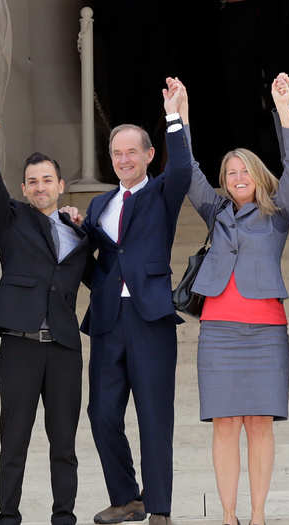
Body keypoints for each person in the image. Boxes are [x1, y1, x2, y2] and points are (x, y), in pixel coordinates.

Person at [174, 73, 289, 525]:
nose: (236, 177)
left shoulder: (278, 212)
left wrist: (284, 107)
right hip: (218, 332)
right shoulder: (217, 213)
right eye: (229, 173)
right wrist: (180, 115)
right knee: (226, 424)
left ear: (256, 175)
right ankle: (228, 516)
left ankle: (258, 515)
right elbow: (187, 172)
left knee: (260, 424)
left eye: (243, 170)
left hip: (266, 332)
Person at [64, 81, 191, 525]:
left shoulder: (162, 193)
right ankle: (126, 497)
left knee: (155, 415)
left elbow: (183, 172)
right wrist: (78, 231)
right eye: (117, 153)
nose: (123, 159)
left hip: (149, 316)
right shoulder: (100, 202)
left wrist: (175, 116)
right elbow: (102, 259)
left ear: (149, 156)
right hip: (107, 319)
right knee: (101, 413)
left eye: (132, 152)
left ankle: (159, 505)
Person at [0, 112, 92, 525]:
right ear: (24, 188)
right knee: (16, 439)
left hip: (63, 348)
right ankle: (8, 516)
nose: (40, 187)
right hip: (20, 345)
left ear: (61, 186)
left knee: (64, 442)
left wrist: (85, 226)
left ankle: (64, 516)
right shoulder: (11, 221)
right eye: (33, 181)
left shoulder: (79, 231)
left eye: (48, 180)